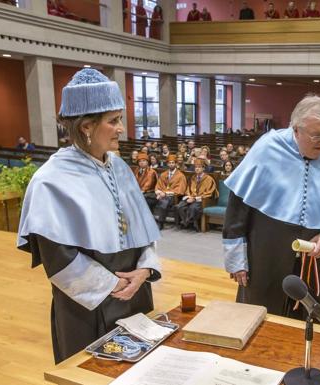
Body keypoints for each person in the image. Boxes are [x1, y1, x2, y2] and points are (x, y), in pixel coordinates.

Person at [17, 68, 161, 363]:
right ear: (86, 126)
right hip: (89, 304)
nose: (122, 128)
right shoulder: (51, 180)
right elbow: (57, 256)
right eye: (114, 121)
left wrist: (144, 271)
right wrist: (113, 284)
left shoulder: (119, 168)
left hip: (136, 293)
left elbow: (141, 229)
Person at [223, 95, 320, 321]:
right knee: (258, 320)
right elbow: (238, 206)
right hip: (265, 253)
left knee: (309, 320)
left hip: (315, 257)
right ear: (296, 130)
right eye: (316, 135)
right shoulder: (268, 147)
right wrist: (236, 260)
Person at [176, 159, 218, 231]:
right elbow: (188, 189)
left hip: (202, 200)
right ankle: (188, 222)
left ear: (203, 168)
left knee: (193, 208)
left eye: (199, 167)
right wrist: (189, 197)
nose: (197, 169)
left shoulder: (209, 179)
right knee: (179, 206)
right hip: (191, 197)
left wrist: (195, 199)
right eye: (196, 167)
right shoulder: (192, 177)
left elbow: (209, 193)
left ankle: (188, 222)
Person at [153, 154, 187, 229]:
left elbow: (180, 190)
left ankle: (160, 222)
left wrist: (165, 193)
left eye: (173, 163)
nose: (171, 164)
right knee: (149, 199)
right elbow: (158, 186)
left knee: (164, 201)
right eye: (169, 163)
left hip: (173, 197)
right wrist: (159, 193)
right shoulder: (163, 174)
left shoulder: (180, 175)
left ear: (176, 164)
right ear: (167, 163)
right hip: (161, 195)